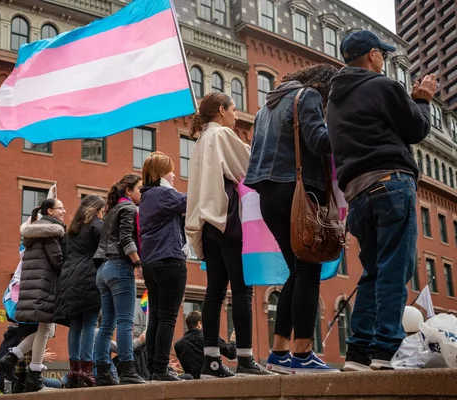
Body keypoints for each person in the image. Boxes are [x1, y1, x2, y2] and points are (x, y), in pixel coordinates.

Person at [326, 30, 437, 371]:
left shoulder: (333, 101)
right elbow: (417, 129)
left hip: (357, 194)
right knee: (393, 270)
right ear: (373, 54)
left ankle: (359, 352)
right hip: (391, 183)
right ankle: (385, 350)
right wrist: (421, 99)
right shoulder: (384, 86)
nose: (384, 60)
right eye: (383, 55)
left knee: (372, 271)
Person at [244, 64, 340, 374]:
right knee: (309, 270)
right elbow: (320, 142)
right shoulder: (308, 96)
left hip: (269, 197)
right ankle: (303, 354)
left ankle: (279, 353)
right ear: (322, 86)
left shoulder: (264, 109)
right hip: (298, 192)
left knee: (296, 272)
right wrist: (341, 126)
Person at [186, 91, 269, 378]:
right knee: (243, 290)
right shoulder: (221, 135)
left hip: (207, 225)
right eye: (233, 109)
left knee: (215, 292)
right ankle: (245, 358)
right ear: (221, 110)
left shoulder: (199, 142)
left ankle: (210, 362)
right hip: (228, 219)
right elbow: (247, 166)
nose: (236, 115)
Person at [0, 198, 67, 392]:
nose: (64, 211)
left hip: (35, 286)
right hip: (45, 286)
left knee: (45, 329)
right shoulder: (50, 232)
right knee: (46, 329)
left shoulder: (34, 232)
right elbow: (57, 261)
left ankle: (13, 359)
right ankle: (29, 369)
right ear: (50, 211)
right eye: (61, 208)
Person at [139, 151, 188, 381]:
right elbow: (190, 201)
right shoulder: (163, 194)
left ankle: (153, 368)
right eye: (171, 170)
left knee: (156, 316)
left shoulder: (147, 196)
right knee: (167, 317)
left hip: (150, 263)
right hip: (169, 259)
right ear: (161, 173)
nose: (174, 175)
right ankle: (160, 368)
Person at [93, 174, 145, 385]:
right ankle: (128, 370)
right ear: (128, 191)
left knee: (107, 323)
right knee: (125, 321)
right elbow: (126, 238)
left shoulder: (110, 211)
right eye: (139, 189)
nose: (141, 193)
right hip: (120, 267)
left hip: (103, 270)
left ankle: (102, 371)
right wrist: (138, 263)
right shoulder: (129, 208)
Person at [54, 195, 106, 388]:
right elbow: (107, 245)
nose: (102, 214)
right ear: (94, 210)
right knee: (90, 324)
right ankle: (86, 368)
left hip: (68, 280)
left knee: (75, 325)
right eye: (101, 210)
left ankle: (74, 369)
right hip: (89, 277)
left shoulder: (71, 231)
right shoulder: (96, 225)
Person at [174, 311, 237, 379]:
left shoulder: (178, 345)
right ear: (199, 324)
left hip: (192, 382)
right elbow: (231, 354)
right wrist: (233, 341)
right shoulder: (209, 338)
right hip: (212, 379)